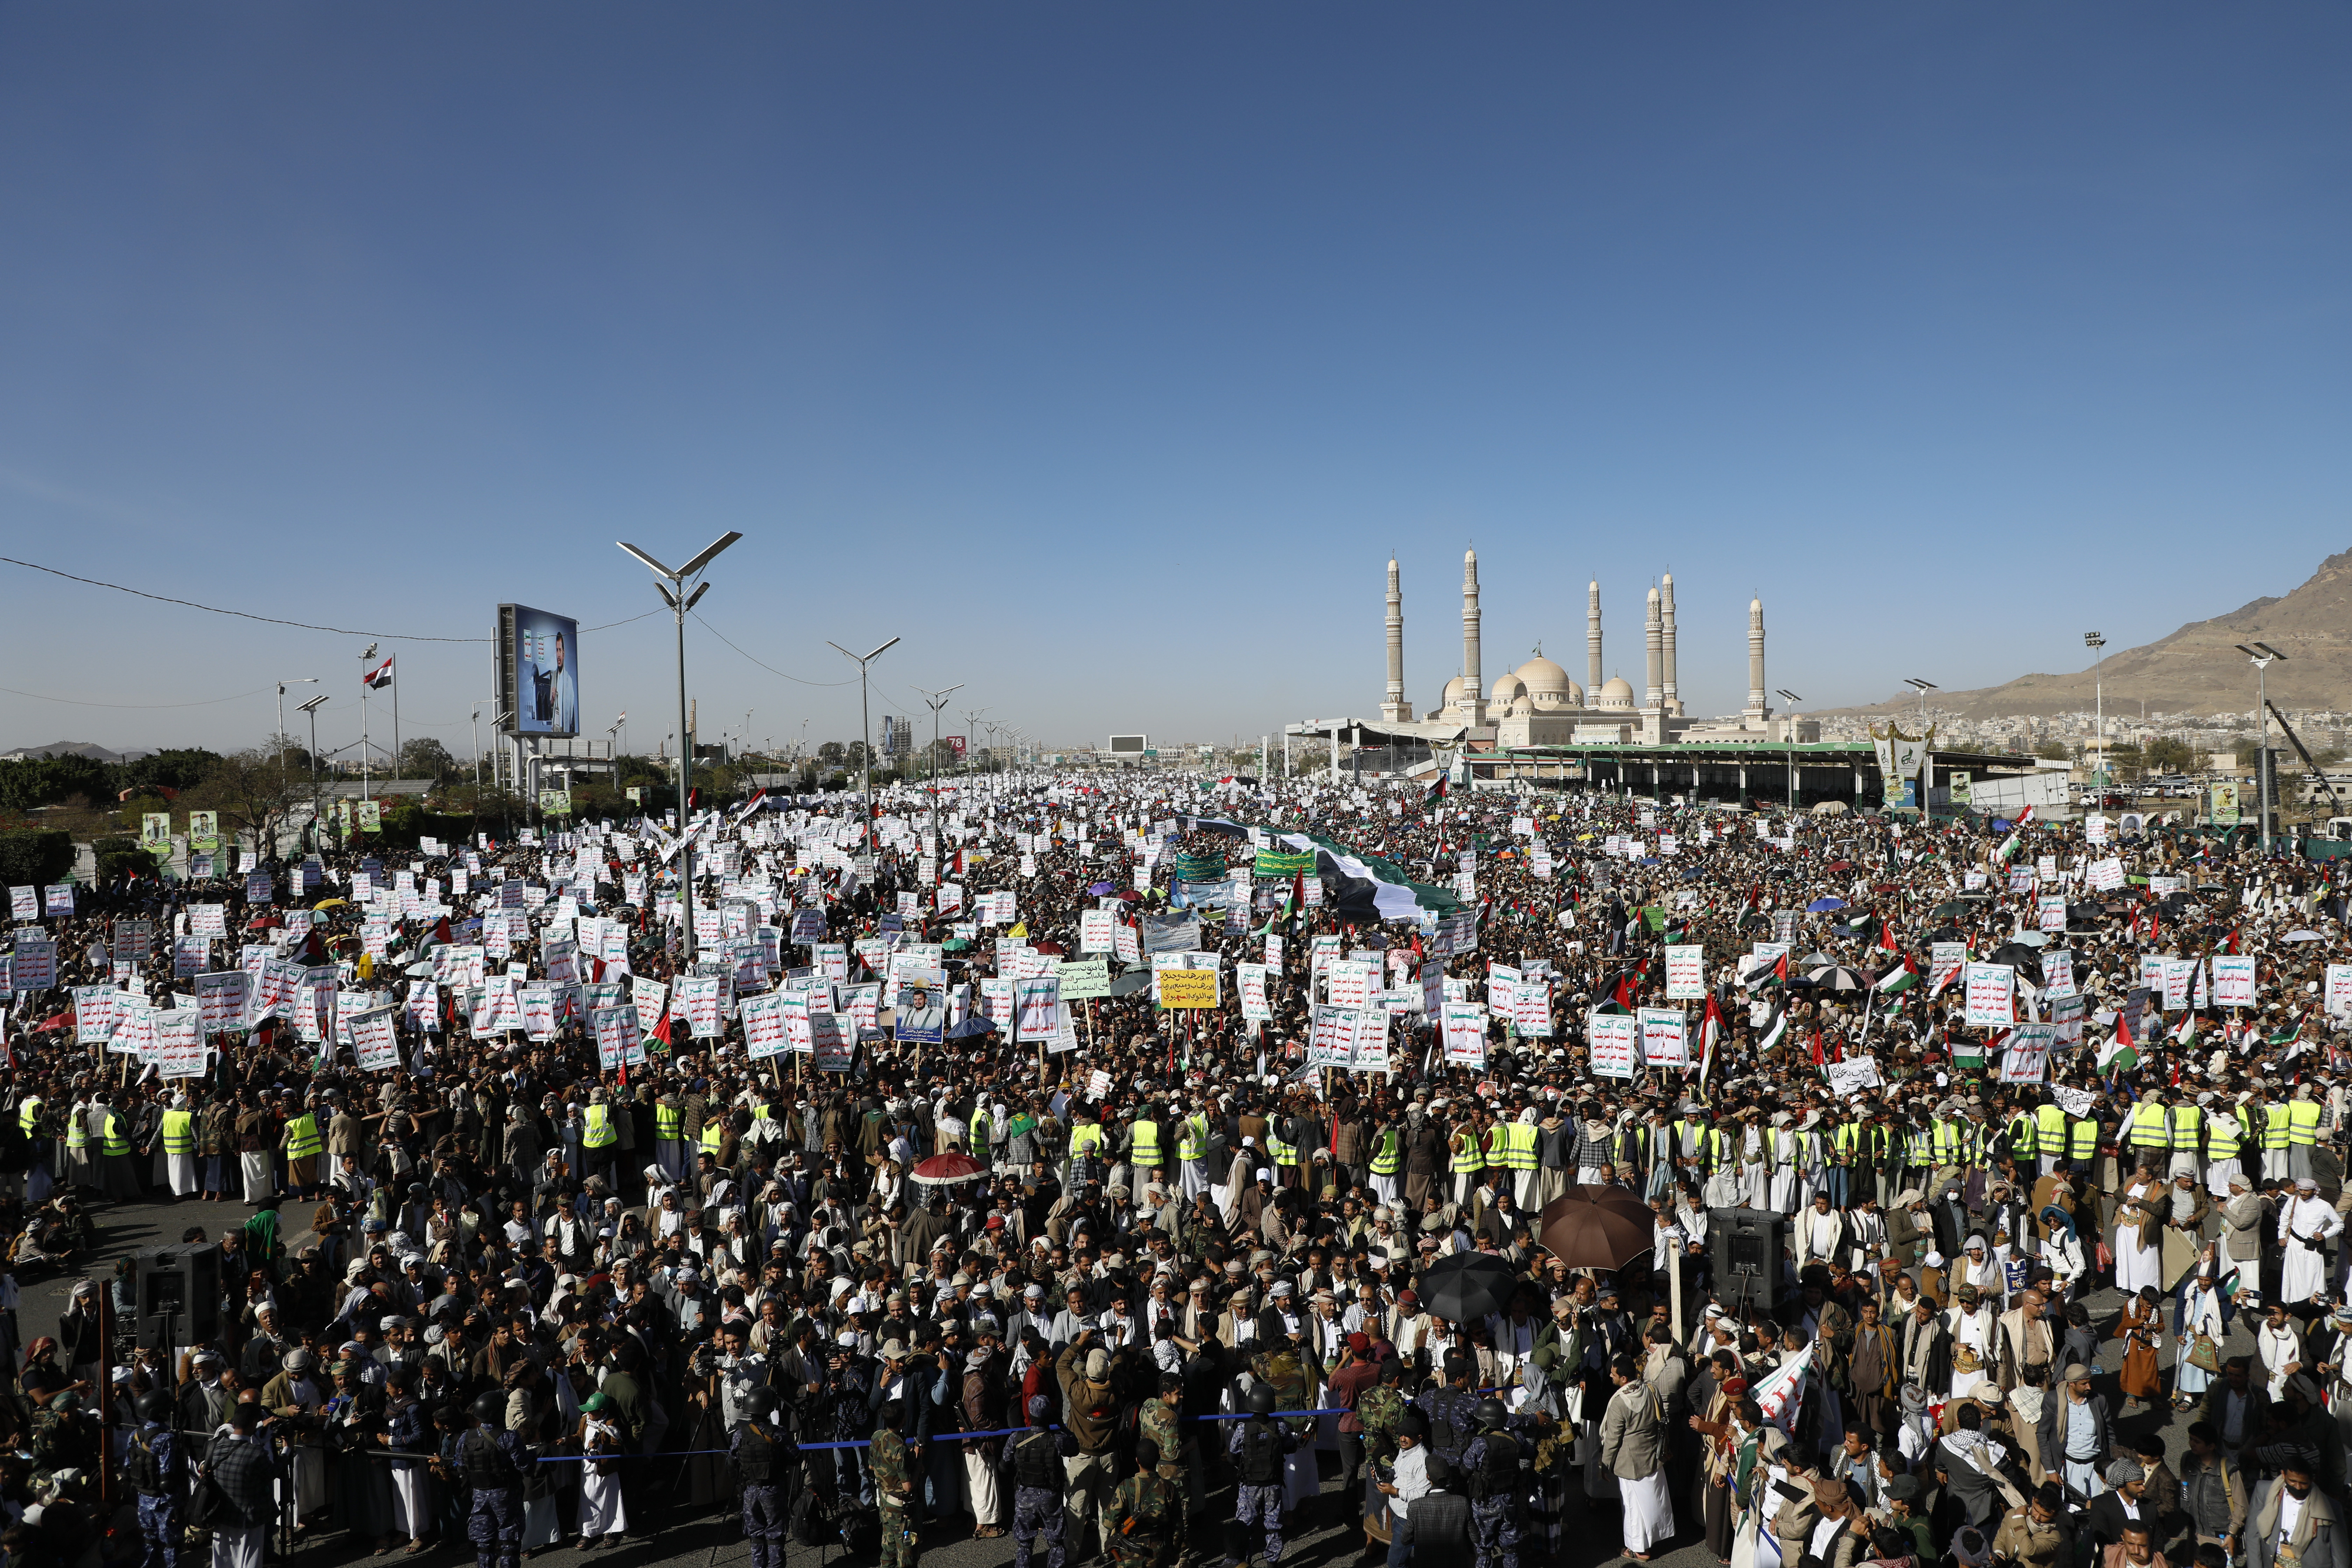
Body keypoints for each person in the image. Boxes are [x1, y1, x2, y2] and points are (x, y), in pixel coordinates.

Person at [1599, 1352, 1672, 1561]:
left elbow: (1612, 1440)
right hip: (1653, 1456)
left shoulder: (1619, 1403)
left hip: (1629, 1462)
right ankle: (1647, 1543)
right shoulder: (1650, 1389)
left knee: (1632, 1507)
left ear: (1624, 1379)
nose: (1611, 1377)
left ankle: (1638, 1550)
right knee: (1652, 1503)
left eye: (1613, 1374)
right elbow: (1662, 1419)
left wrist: (1604, 1465)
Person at [202, 1402, 282, 1568]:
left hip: (221, 1514)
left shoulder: (215, 1445)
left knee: (222, 1555)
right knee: (249, 1556)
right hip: (249, 1518)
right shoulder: (255, 1452)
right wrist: (287, 1450)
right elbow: (272, 1473)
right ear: (254, 1423)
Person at [1227, 1383, 1297, 1568]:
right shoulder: (1280, 1426)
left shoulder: (1242, 1428)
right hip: (1273, 1484)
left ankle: (1245, 1560)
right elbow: (1291, 1447)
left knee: (1245, 1524)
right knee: (1273, 1524)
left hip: (1249, 1485)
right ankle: (1272, 1561)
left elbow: (1232, 1456)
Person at [1003, 1394, 1074, 1568]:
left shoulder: (1017, 1438)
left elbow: (1003, 1466)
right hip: (1050, 1495)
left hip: (1025, 1495)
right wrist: (1062, 1427)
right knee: (1056, 1539)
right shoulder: (1058, 1439)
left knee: (1024, 1541)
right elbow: (1074, 1448)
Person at [460, 1390, 527, 1568]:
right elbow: (524, 1467)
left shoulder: (465, 1437)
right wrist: (533, 1456)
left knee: (484, 1543)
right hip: (505, 1494)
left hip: (479, 1494)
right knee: (509, 1541)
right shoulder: (509, 1437)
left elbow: (460, 1465)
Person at [729, 1386, 795, 1568]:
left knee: (756, 1535)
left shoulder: (740, 1435)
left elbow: (731, 1463)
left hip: (750, 1491)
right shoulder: (777, 1433)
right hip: (773, 1490)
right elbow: (795, 1457)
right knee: (774, 1534)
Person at [2249, 1461, 2347, 1568]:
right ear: (2283, 1475)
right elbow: (2253, 1536)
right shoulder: (2265, 1492)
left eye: (2303, 1483)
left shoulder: (2330, 1507)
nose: (2298, 1487)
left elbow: (2340, 1555)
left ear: (2311, 1480)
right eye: (2292, 1481)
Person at [126, 1388, 183, 1568]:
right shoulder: (165, 1438)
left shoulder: (135, 1434)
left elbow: (128, 1467)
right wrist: (175, 1506)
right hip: (163, 1501)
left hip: (143, 1497)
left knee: (149, 1538)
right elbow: (167, 1478)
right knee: (170, 1542)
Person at [1107, 1435, 1180, 1568]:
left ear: (1137, 1461)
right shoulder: (1169, 1488)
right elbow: (1178, 1527)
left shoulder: (1126, 1487)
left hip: (1129, 1555)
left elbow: (1108, 1521)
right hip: (1159, 1552)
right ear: (1158, 1459)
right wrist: (1174, 1551)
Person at [871, 1398, 918, 1568]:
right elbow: (908, 1486)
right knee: (905, 1549)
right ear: (902, 1420)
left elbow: (871, 1465)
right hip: (899, 1505)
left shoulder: (877, 1436)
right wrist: (917, 1466)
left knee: (888, 1546)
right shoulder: (899, 1448)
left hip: (883, 1500)